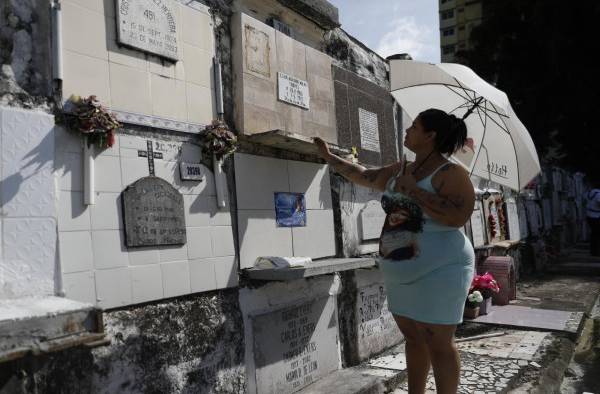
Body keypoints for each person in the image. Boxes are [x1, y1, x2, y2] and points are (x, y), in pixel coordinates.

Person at [314, 108, 475, 394]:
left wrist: (415, 191)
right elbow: (364, 175)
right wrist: (329, 158)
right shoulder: (400, 169)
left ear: (430, 135)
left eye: (414, 126)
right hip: (401, 271)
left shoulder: (451, 173)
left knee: (438, 342)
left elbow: (457, 216)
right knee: (413, 338)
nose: (407, 130)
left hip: (442, 269)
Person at [586, 178, 600, 256]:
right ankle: (596, 251)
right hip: (596, 216)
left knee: (594, 234)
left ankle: (593, 250)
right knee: (597, 234)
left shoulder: (590, 192)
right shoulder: (598, 193)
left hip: (589, 215)